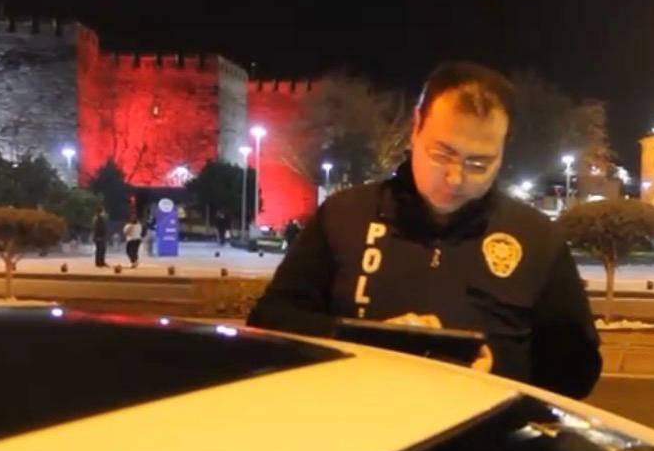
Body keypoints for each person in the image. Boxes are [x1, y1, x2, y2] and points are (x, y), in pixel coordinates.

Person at [247, 61, 602, 399]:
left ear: (503, 149)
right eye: (442, 154)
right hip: (359, 428)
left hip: (484, 438)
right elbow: (270, 322)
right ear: (416, 127)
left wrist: (497, 370)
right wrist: (369, 343)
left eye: (479, 163)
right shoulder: (345, 215)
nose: (455, 178)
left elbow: (577, 373)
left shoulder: (537, 239)